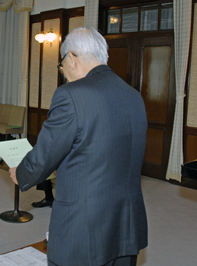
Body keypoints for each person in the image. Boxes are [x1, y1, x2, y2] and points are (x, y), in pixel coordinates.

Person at [9, 26, 148, 266]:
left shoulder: (71, 95)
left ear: (71, 58)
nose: (64, 73)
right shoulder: (133, 95)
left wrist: (21, 173)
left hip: (84, 230)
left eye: (62, 67)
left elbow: (44, 155)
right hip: (126, 226)